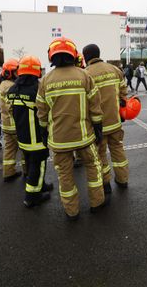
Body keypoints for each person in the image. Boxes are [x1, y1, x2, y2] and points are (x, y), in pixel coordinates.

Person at [36, 37, 106, 220]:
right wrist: (98, 128)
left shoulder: (45, 81)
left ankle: (71, 211)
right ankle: (97, 203)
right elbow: (95, 106)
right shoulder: (84, 76)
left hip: (59, 141)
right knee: (93, 167)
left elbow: (41, 113)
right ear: (73, 55)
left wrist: (43, 132)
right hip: (84, 138)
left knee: (65, 175)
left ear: (51, 56)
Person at [7, 56, 54, 207]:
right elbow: (46, 110)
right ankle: (32, 197)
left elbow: (10, 110)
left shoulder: (13, 89)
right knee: (38, 165)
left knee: (29, 163)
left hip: (22, 136)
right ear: (37, 71)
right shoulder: (37, 89)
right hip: (37, 137)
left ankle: (40, 185)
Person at [83, 44, 129, 193]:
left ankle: (106, 183)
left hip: (98, 126)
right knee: (118, 151)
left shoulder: (85, 74)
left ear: (85, 57)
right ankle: (123, 180)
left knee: (100, 155)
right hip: (115, 122)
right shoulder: (115, 70)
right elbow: (123, 93)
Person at [0, 58, 25, 182]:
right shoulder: (11, 86)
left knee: (9, 150)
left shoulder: (2, 85)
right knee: (25, 149)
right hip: (16, 125)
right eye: (15, 71)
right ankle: (27, 172)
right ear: (9, 72)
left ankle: (8, 172)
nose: (18, 74)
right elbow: (13, 107)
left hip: (6, 124)